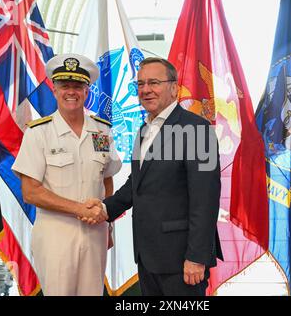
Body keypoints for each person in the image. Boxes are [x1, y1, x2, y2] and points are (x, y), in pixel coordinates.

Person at [85, 57, 222, 296]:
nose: (146, 89)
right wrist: (106, 209)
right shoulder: (144, 130)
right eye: (140, 84)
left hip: (182, 260)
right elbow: (136, 185)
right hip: (149, 256)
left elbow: (206, 199)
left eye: (154, 83)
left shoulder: (197, 129)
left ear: (173, 87)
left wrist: (197, 257)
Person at [11, 53, 121, 296]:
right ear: (54, 89)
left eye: (78, 86)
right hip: (55, 236)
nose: (71, 92)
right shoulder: (39, 133)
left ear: (87, 90)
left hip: (95, 234)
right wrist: (79, 209)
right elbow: (30, 192)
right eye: (65, 86)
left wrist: (108, 224)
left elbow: (107, 178)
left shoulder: (101, 131)